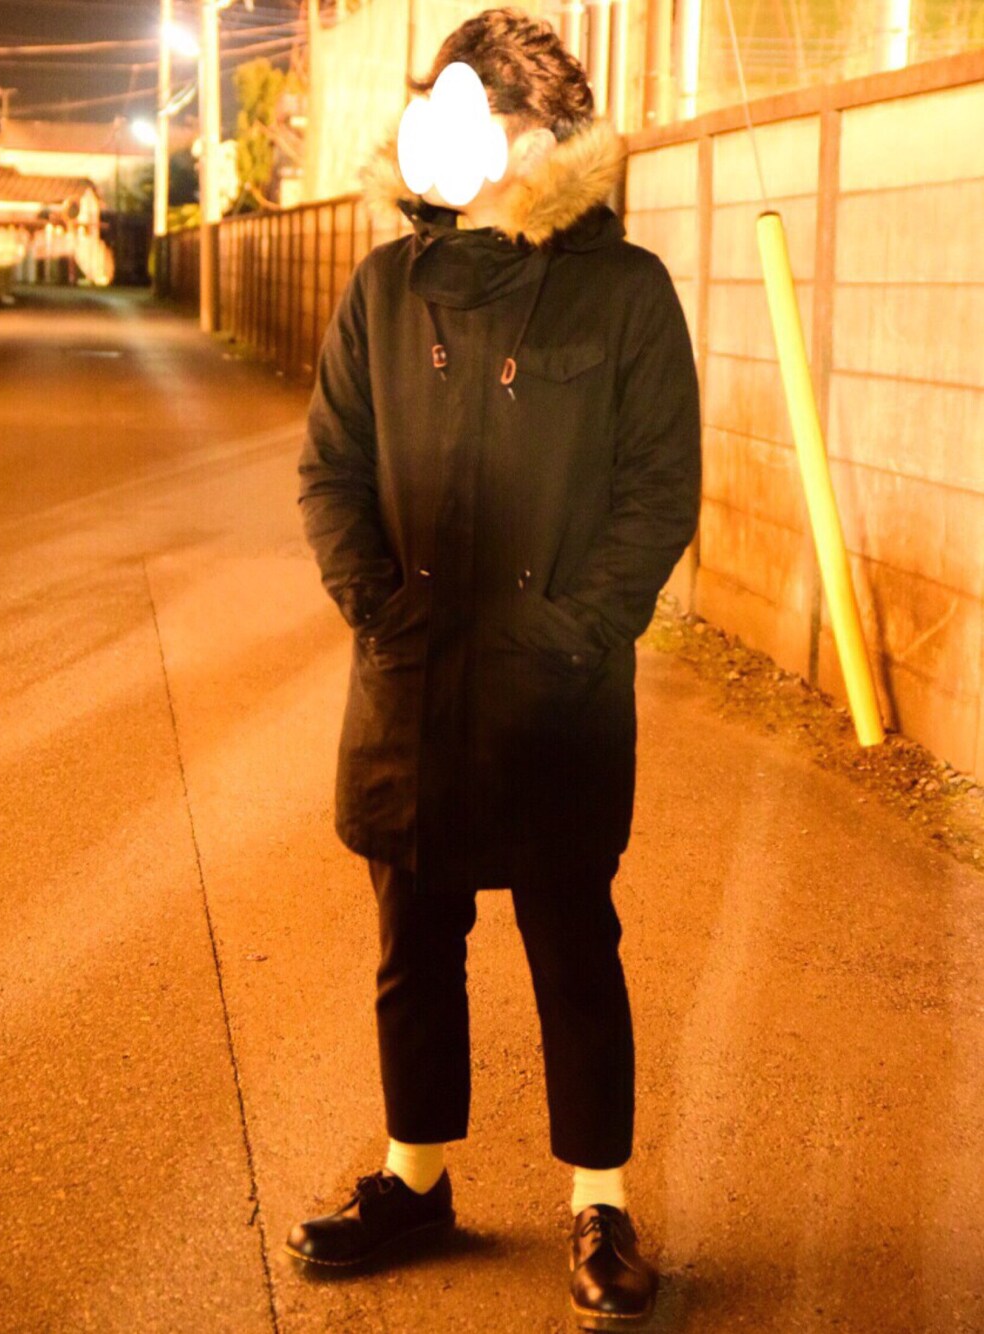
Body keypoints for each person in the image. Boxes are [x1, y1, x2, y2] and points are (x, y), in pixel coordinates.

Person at [285, 7, 701, 1329]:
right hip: (409, 685)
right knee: (413, 940)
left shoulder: (622, 291)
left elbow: (659, 489)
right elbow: (331, 470)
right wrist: (379, 611)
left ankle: (601, 1204)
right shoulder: (384, 288)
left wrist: (577, 629)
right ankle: (416, 1180)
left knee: (574, 942)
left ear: (537, 137)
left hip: (557, 696)